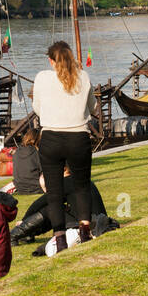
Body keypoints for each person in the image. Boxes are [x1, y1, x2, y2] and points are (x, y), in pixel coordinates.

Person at [31, 40, 96, 255]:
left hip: (51, 137)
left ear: (50, 60)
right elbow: (92, 107)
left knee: (54, 190)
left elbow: (37, 108)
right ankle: (85, 231)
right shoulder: (83, 77)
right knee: (81, 185)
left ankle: (60, 239)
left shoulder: (42, 78)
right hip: (78, 136)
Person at [9, 165, 115, 245]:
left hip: (90, 225)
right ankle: (28, 234)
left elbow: (40, 202)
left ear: (64, 169)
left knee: (51, 209)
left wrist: (24, 219)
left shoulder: (66, 182)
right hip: (97, 222)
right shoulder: (80, 181)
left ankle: (13, 235)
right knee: (59, 208)